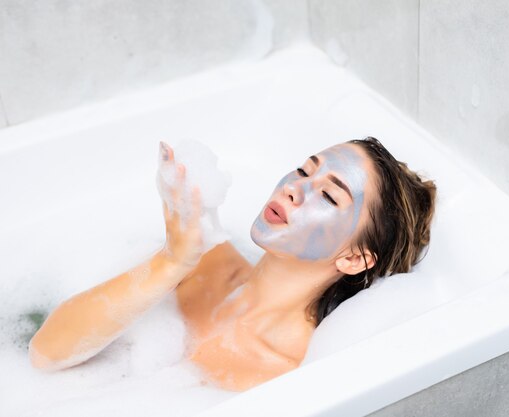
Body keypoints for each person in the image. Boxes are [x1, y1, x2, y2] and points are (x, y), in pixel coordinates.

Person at [28, 136, 437, 392]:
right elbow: (46, 354)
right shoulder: (202, 258)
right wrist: (171, 261)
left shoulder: (291, 375)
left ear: (354, 258)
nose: (295, 188)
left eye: (329, 197)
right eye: (303, 170)